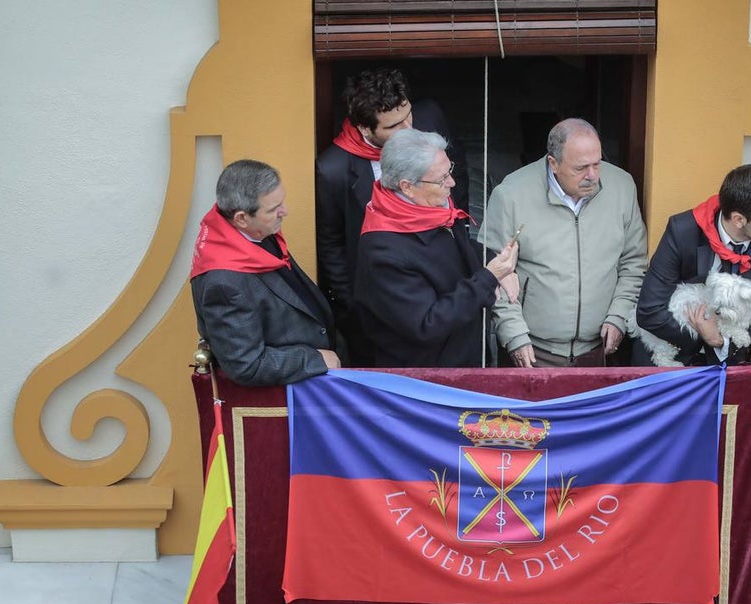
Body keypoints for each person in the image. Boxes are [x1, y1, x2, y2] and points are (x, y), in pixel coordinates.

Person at [316, 68, 468, 364]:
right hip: (384, 306)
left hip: (446, 287)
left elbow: (457, 174)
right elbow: (332, 246)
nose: (409, 129)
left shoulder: (431, 116)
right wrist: (354, 310)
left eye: (408, 115)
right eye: (394, 126)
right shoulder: (332, 169)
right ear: (365, 129)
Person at [478, 118, 647, 367]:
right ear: (553, 163)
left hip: (601, 350)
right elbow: (494, 272)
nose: (593, 176)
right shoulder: (511, 195)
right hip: (531, 350)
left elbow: (634, 262)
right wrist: (513, 334)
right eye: (581, 168)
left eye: (597, 164)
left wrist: (619, 315)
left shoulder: (622, 186)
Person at [354, 130, 517, 367]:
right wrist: (489, 278)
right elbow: (427, 323)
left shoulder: (431, 205)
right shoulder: (383, 252)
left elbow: (456, 249)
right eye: (441, 179)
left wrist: (494, 259)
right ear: (407, 186)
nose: (452, 182)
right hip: (428, 379)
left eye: (449, 170)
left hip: (463, 357)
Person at [190, 159, 343, 386]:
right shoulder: (223, 283)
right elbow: (246, 365)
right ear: (241, 218)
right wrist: (315, 359)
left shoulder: (256, 231)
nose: (285, 212)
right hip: (291, 392)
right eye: (273, 209)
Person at [634, 164, 751, 365]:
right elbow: (649, 310)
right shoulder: (683, 230)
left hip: (728, 358)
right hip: (669, 350)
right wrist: (702, 335)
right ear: (739, 219)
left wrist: (721, 341)